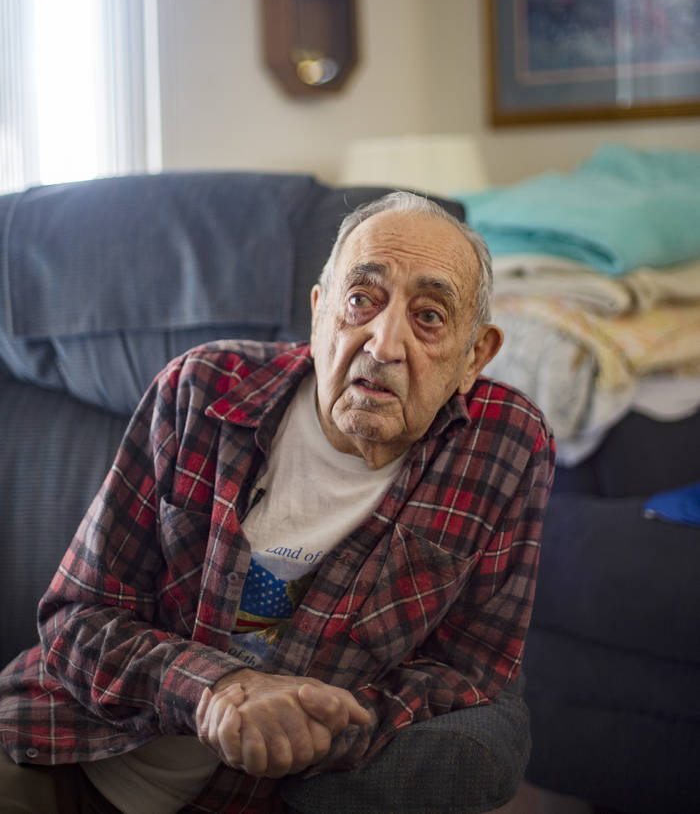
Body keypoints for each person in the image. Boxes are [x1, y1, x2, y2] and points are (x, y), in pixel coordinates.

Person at [0, 191, 555, 814]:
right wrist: (216, 689)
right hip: (64, 749)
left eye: (429, 316)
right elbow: (74, 618)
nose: (384, 343)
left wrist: (327, 728)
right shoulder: (198, 389)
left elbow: (468, 671)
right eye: (360, 300)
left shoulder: (504, 448)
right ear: (319, 316)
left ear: (474, 356)